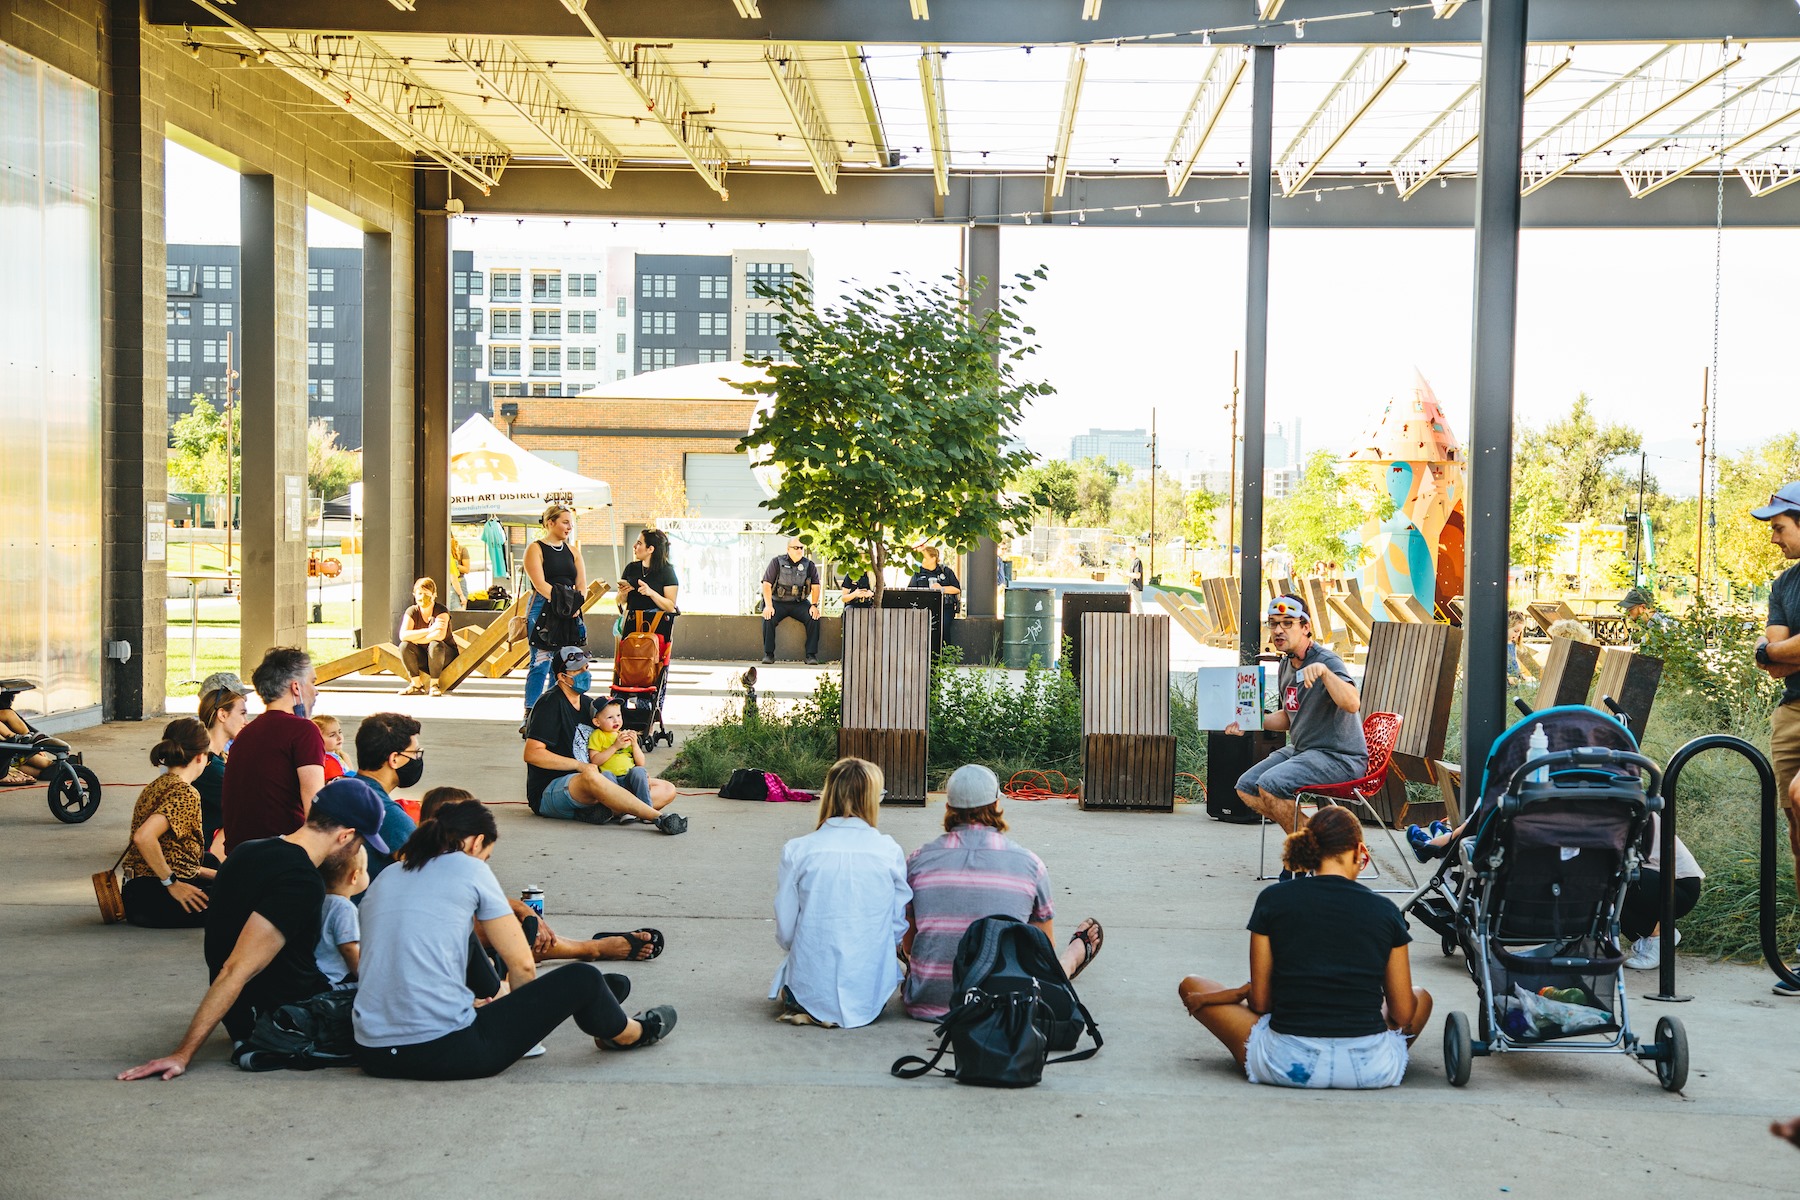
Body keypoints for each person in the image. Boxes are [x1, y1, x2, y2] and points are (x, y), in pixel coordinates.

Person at [352, 800, 677, 1080]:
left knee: (469, 943)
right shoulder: (469, 869)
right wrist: (522, 1021)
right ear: (476, 842)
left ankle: (595, 1012)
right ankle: (629, 1033)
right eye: (487, 856)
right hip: (445, 1051)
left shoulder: (390, 876)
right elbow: (522, 964)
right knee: (585, 978)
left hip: (373, 1053)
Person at [117, 778, 389, 1080]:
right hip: (287, 1017)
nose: (357, 852)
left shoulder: (246, 851)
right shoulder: (302, 882)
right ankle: (266, 1044)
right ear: (345, 836)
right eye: (360, 844)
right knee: (395, 993)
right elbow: (237, 968)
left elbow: (224, 953)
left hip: (243, 1018)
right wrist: (182, 1054)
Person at [1179, 806, 1432, 1089]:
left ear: (1309, 851)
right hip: (1370, 1070)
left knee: (1192, 984)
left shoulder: (1272, 900)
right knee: (1420, 996)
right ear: (1361, 852)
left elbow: (1261, 1004)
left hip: (1287, 1064)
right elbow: (1402, 1016)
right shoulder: (1386, 911)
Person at [902, 764, 1102, 1021]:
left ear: (948, 808)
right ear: (997, 805)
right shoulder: (1030, 864)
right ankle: (1069, 963)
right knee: (1044, 965)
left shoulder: (917, 860)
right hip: (1008, 1005)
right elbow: (1042, 953)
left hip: (928, 1003)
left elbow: (909, 945)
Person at [420, 786, 669, 965]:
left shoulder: (444, 866)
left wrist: (522, 909)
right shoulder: (426, 868)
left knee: (511, 926)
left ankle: (579, 948)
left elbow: (476, 898)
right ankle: (591, 949)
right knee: (506, 931)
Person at [768, 758, 911, 1029]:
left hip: (809, 989)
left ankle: (803, 1000)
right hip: (870, 996)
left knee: (794, 974)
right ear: (872, 800)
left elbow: (786, 932)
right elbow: (896, 927)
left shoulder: (798, 850)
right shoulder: (888, 851)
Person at [1224, 595, 1367, 840]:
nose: (1278, 630)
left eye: (1288, 623)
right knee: (1247, 787)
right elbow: (1290, 717)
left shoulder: (1326, 661)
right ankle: (1320, 841)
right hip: (1303, 751)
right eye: (1273, 623)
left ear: (1306, 627)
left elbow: (1352, 703)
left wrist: (1324, 674)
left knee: (1270, 784)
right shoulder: (1286, 665)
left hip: (1339, 757)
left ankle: (1304, 854)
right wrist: (1249, 722)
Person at [523, 645, 687, 834]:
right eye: (578, 670)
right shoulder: (549, 704)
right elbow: (532, 754)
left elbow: (605, 742)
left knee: (666, 788)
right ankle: (657, 818)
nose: (585, 674)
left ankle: (603, 811)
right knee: (591, 776)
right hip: (552, 790)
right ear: (562, 677)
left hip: (595, 783)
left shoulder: (588, 705)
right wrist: (579, 766)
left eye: (587, 668)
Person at [1751, 482, 1800, 995]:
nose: (1774, 538)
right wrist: (1774, 653)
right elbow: (1773, 656)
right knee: (1797, 833)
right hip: (1791, 713)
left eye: (1780, 528)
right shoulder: (1786, 583)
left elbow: (1775, 650)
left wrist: (1775, 651)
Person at [220, 647, 325, 854]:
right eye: (312, 682)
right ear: (296, 687)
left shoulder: (246, 734)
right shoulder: (304, 731)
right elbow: (315, 808)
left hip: (240, 856)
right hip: (282, 855)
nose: (316, 690)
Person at [121, 718, 217, 929]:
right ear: (201, 757)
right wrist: (172, 883)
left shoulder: (157, 785)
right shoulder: (185, 793)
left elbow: (175, 853)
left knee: (212, 863)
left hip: (137, 893)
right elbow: (143, 837)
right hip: (154, 898)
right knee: (245, 900)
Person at [522, 504, 588, 720]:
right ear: (550, 523)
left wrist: (574, 606)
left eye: (571, 523)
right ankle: (531, 713)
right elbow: (540, 583)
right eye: (565, 522)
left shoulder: (573, 551)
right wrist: (566, 605)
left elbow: (582, 585)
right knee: (540, 661)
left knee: (563, 663)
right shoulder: (536, 548)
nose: (569, 527)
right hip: (544, 607)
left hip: (569, 608)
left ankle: (554, 711)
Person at [1621, 812, 1704, 971]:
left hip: (1679, 886)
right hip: (1658, 880)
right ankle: (1656, 934)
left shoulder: (1627, 807)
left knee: (1608, 880)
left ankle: (1657, 936)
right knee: (1602, 881)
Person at [352, 712, 425, 878]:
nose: (417, 759)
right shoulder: (388, 813)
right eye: (415, 753)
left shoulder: (343, 790)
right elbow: (426, 871)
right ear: (394, 759)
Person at [585, 696, 678, 815]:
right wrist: (615, 747)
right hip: (612, 782)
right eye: (610, 717)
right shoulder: (598, 735)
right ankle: (621, 810)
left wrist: (634, 745)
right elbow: (595, 760)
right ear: (597, 722)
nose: (616, 721)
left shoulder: (623, 735)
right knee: (606, 775)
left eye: (618, 716)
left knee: (639, 771)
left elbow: (640, 763)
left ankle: (646, 810)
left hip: (629, 779)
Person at [195, 685, 247, 861]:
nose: (245, 721)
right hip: (204, 857)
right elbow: (247, 808)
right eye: (242, 713)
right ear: (222, 715)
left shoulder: (212, 760)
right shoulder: (208, 766)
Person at [761, 536, 823, 665]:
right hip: (778, 601)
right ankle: (769, 654)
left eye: (801, 548)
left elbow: (816, 586)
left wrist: (814, 605)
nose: (799, 550)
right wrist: (768, 605)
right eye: (796, 548)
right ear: (788, 549)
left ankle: (811, 655)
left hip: (798, 603)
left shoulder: (809, 565)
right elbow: (766, 584)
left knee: (814, 617)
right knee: (768, 617)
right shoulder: (776, 562)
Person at [314, 844, 369, 988]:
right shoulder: (344, 908)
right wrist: (364, 976)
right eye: (365, 871)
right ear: (355, 876)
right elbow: (348, 948)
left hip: (316, 974)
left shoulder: (317, 900)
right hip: (334, 981)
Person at [398, 577, 454, 696]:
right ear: (414, 595)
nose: (422, 597)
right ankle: (416, 684)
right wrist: (429, 630)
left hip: (444, 655)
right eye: (419, 593)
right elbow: (403, 635)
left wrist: (416, 638)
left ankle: (434, 684)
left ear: (434, 595)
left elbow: (439, 635)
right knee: (404, 646)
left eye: (427, 594)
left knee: (435, 645)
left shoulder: (441, 611)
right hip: (425, 655)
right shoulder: (412, 611)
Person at [621, 526, 680, 627]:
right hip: (631, 625)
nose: (634, 546)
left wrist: (651, 593)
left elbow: (671, 607)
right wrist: (623, 593)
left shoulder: (667, 571)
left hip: (656, 628)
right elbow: (621, 601)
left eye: (639, 543)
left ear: (650, 549)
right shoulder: (631, 568)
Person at [908, 546, 962, 618]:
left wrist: (942, 589)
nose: (921, 560)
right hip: (923, 609)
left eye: (923, 558)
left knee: (943, 628)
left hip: (944, 609)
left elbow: (957, 589)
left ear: (933, 559)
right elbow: (910, 592)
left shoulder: (945, 571)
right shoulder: (918, 573)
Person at [312, 714, 348, 781]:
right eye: (332, 735)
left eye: (340, 732)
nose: (339, 737)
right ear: (318, 739)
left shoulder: (340, 756)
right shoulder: (325, 761)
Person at [449, 536, 471, 610]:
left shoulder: (452, 560)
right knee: (460, 609)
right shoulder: (450, 559)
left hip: (458, 583)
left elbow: (466, 569)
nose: (458, 551)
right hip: (455, 585)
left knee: (459, 609)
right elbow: (453, 579)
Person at [1506, 610, 1527, 683]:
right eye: (1516, 631)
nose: (1518, 635)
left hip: (1514, 679)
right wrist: (1508, 676)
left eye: (1520, 632)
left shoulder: (1513, 644)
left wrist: (1520, 674)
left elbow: (1514, 661)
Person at [1129, 546, 1145, 613]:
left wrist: (1127, 574)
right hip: (1131, 588)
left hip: (1136, 588)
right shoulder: (1132, 562)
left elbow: (1137, 575)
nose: (1129, 554)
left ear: (1135, 552)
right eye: (1128, 552)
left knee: (1138, 607)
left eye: (1131, 552)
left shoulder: (1137, 562)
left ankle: (1141, 621)